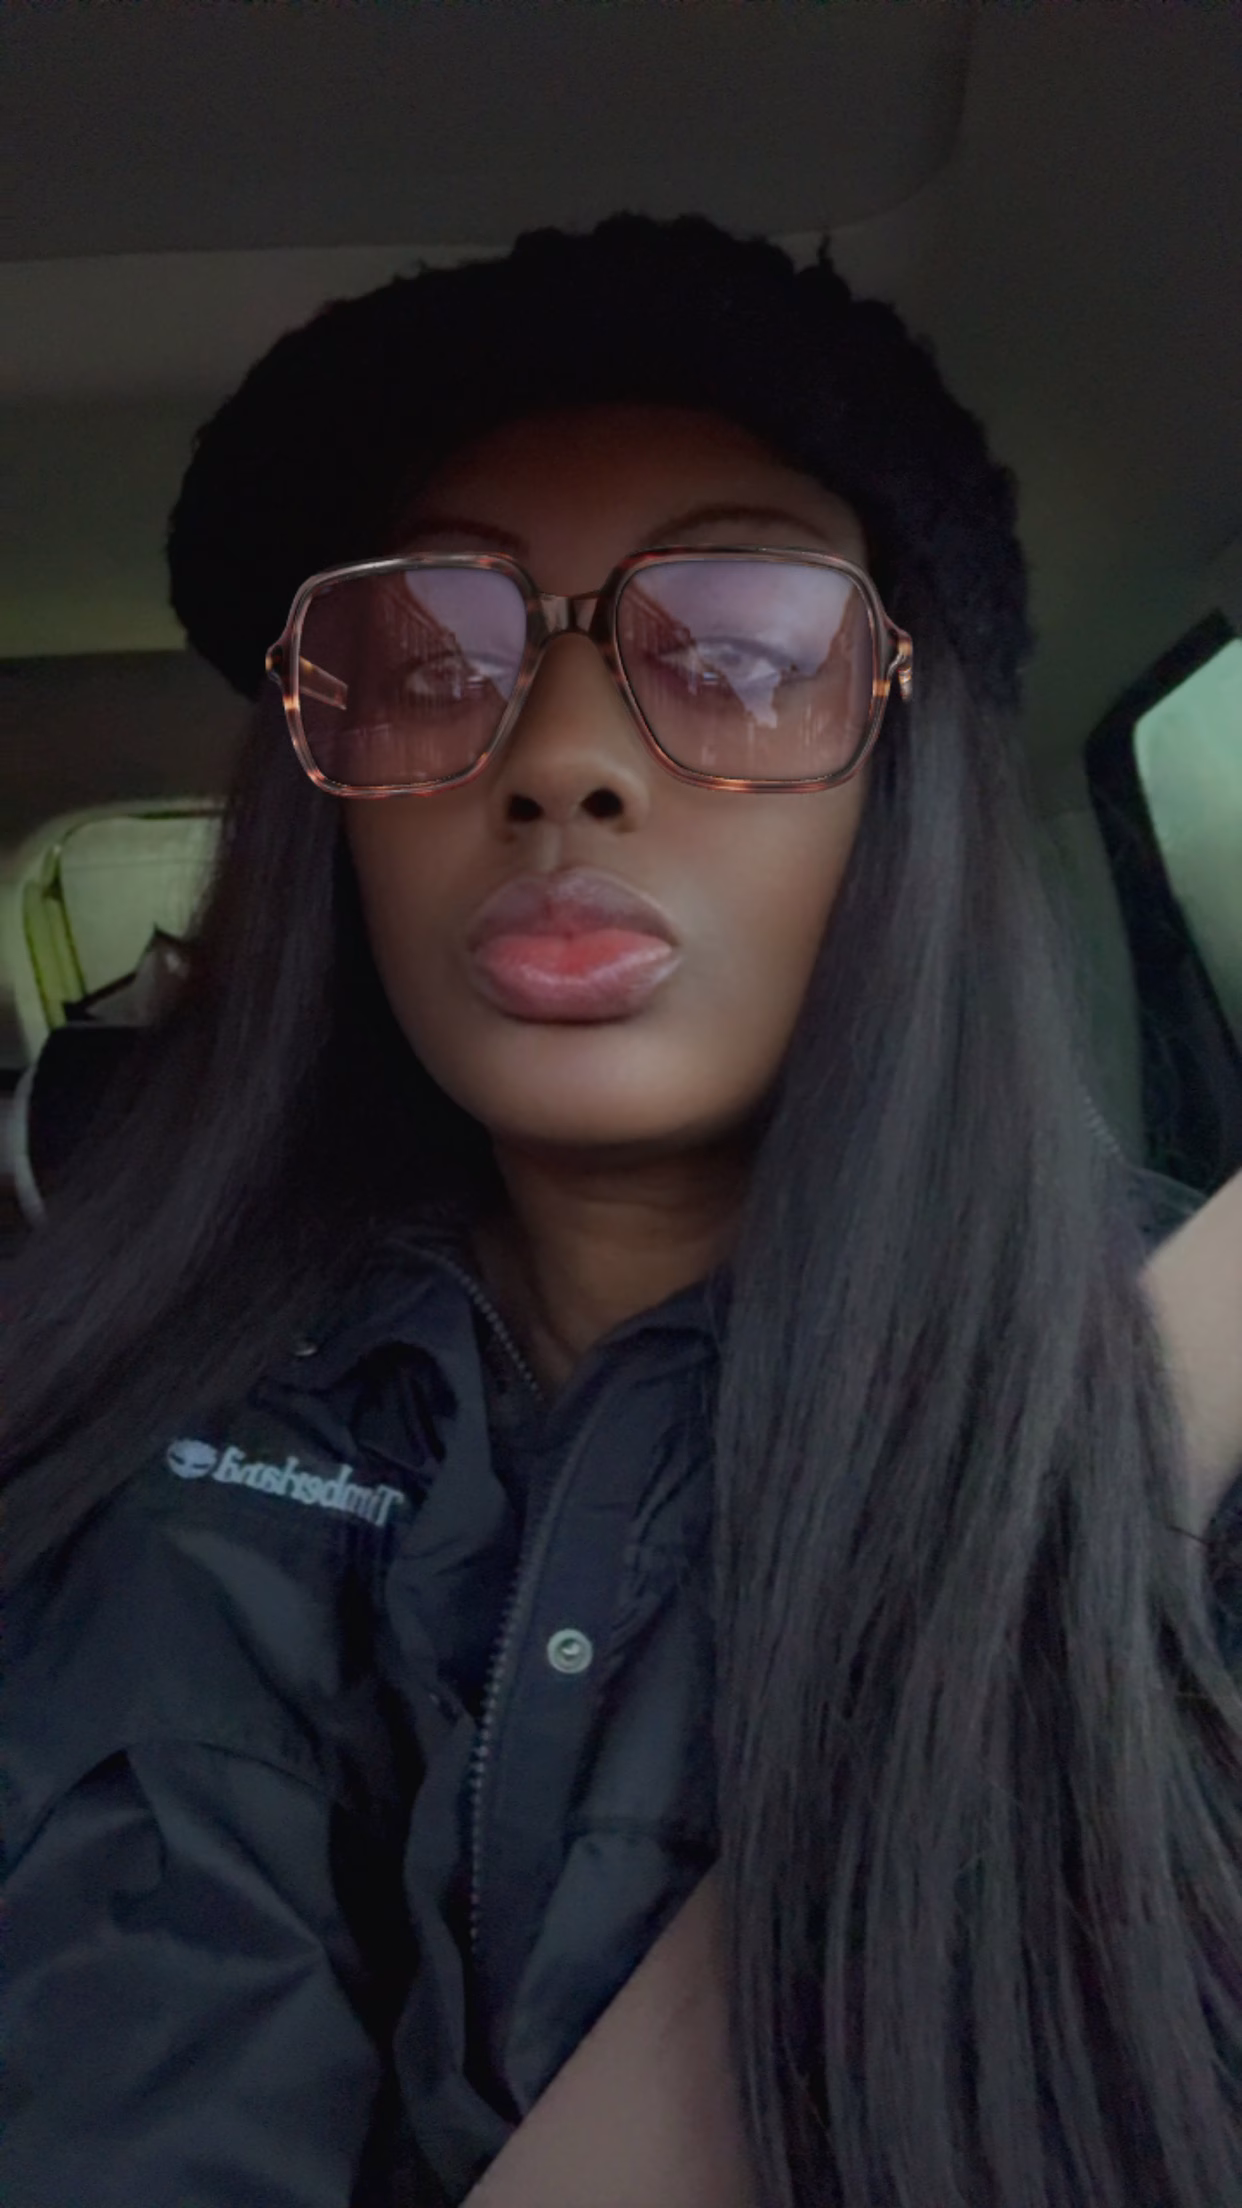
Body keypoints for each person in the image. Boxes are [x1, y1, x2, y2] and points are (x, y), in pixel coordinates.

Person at [3, 211, 1241, 2208]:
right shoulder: (115, 1430)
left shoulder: (1185, 1445)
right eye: (427, 665)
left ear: (904, 776)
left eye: (741, 653)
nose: (560, 760)